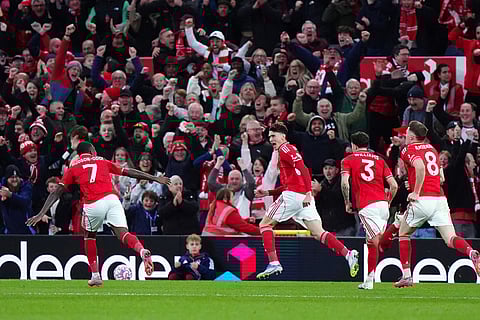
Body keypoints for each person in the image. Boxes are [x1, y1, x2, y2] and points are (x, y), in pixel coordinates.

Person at [26, 142, 171, 287]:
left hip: (93, 203)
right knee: (123, 234)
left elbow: (57, 192)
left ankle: (95, 275)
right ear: (91, 150)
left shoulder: (73, 168)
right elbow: (128, 171)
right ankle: (141, 250)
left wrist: (41, 213)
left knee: (89, 236)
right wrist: (156, 178)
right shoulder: (102, 160)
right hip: (112, 199)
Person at [255, 123, 359, 280]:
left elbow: (303, 168)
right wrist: (269, 192)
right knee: (319, 233)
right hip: (301, 198)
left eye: (274, 136)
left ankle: (274, 262)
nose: (271, 139)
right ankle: (348, 254)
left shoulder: (284, 149)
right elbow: (291, 181)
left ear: (283, 136)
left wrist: (309, 193)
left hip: (295, 196)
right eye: (269, 137)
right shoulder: (288, 150)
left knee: (264, 224)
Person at [394, 121, 480, 288]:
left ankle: (406, 276)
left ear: (411, 136)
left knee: (403, 233)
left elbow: (419, 167)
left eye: (407, 135)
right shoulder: (432, 149)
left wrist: (416, 191)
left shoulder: (407, 149)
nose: (405, 137)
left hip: (422, 199)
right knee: (450, 238)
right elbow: (441, 177)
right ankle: (471, 252)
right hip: (439, 199)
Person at [341, 132, 398, 290]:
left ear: (354, 145)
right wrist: (388, 202)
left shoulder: (348, 160)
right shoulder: (380, 160)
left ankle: (396, 226)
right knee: (371, 243)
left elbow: (345, 183)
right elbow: (394, 186)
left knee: (376, 242)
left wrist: (347, 202)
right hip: (382, 205)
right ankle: (369, 280)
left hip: (367, 206)